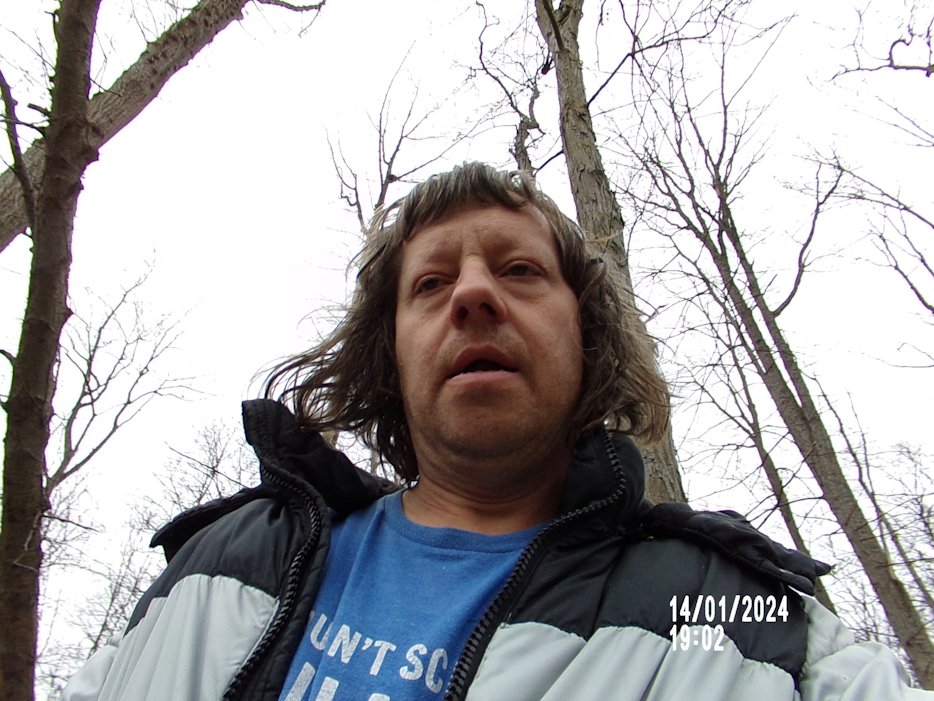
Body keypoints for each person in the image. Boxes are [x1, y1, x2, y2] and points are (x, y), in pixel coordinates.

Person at [63, 163, 930, 700]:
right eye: (431, 283)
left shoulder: (739, 615)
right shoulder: (220, 560)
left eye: (518, 269)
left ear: (586, 335)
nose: (475, 294)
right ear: (390, 354)